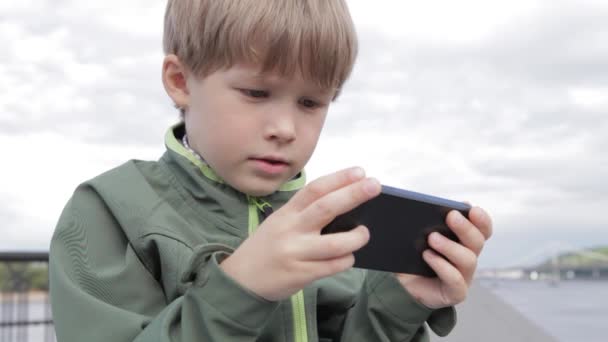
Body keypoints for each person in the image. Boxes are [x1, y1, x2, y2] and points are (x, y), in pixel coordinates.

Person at [49, 0, 493, 341]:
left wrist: (400, 301)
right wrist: (242, 288)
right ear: (181, 81)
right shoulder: (110, 211)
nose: (284, 129)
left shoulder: (340, 229)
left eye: (310, 103)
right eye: (256, 92)